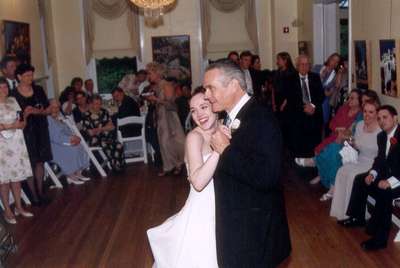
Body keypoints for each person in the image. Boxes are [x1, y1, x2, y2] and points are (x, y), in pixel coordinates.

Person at [203, 59, 291, 267]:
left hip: (255, 234)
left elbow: (268, 176)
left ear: (234, 85)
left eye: (211, 88)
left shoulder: (261, 118)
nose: (206, 95)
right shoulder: (232, 117)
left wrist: (226, 150)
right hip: (238, 226)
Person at [148, 88, 224, 267]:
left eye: (204, 107)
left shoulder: (224, 127)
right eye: (193, 110)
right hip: (203, 211)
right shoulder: (194, 138)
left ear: (215, 106)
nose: (199, 114)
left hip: (224, 204)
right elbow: (198, 182)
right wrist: (219, 150)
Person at [340, 105, 400, 251]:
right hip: (388, 175)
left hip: (398, 179)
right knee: (362, 179)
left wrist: (390, 182)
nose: (381, 121)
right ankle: (358, 217)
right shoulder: (382, 136)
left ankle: (380, 240)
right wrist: (372, 174)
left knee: (384, 193)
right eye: (379, 118)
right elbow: (380, 159)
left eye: (385, 117)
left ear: (395, 118)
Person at [330, 100, 380, 220]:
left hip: (372, 163)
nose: (367, 115)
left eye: (371, 112)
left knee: (352, 175)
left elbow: (381, 154)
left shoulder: (380, 130)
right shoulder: (359, 125)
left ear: (377, 113)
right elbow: (357, 145)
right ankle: (339, 211)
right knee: (341, 171)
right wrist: (351, 142)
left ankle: (351, 214)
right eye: (365, 111)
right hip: (359, 159)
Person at [11, 64, 52, 206]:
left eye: (31, 75)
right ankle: (33, 194)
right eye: (27, 75)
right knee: (30, 162)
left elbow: (48, 110)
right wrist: (25, 114)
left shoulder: (39, 90)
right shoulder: (13, 94)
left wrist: (36, 111)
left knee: (40, 161)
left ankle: (40, 191)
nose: (30, 78)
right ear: (19, 77)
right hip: (25, 132)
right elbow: (12, 117)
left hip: (40, 128)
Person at [0, 77, 33, 224]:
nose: (3, 90)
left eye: (5, 87)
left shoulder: (13, 100)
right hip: (2, 145)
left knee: (17, 178)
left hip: (17, 142)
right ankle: (7, 210)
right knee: (4, 179)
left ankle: (19, 207)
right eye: (0, 88)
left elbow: (21, 122)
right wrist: (9, 126)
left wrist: (21, 122)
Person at [145, 62, 185, 176]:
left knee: (173, 141)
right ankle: (168, 166)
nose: (149, 76)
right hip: (161, 116)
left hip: (169, 117)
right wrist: (153, 100)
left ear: (158, 73)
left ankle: (179, 164)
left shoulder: (166, 85)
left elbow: (171, 105)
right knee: (163, 142)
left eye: (150, 73)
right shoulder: (156, 86)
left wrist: (156, 99)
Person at [282, 55, 325, 158]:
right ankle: (300, 159)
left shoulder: (315, 77)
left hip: (314, 111)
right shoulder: (289, 79)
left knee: (315, 140)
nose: (304, 67)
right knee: (298, 137)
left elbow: (321, 95)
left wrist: (312, 106)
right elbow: (291, 98)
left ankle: (314, 158)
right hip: (298, 112)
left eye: (307, 64)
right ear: (297, 66)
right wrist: (304, 107)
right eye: (302, 64)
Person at [47, 100, 90, 185]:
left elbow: (68, 131)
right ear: (48, 108)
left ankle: (78, 173)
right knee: (72, 149)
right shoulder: (48, 119)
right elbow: (55, 136)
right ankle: (70, 175)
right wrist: (70, 139)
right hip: (55, 145)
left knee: (80, 146)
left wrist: (74, 137)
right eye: (53, 107)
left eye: (58, 107)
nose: (56, 109)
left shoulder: (58, 118)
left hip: (64, 141)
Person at [81, 95, 125, 172]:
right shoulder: (86, 115)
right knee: (106, 145)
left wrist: (99, 129)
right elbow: (90, 132)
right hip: (95, 139)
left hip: (106, 136)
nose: (98, 106)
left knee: (119, 145)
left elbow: (112, 127)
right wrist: (104, 128)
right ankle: (115, 164)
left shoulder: (104, 112)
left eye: (100, 103)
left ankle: (118, 165)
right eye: (96, 104)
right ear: (91, 104)